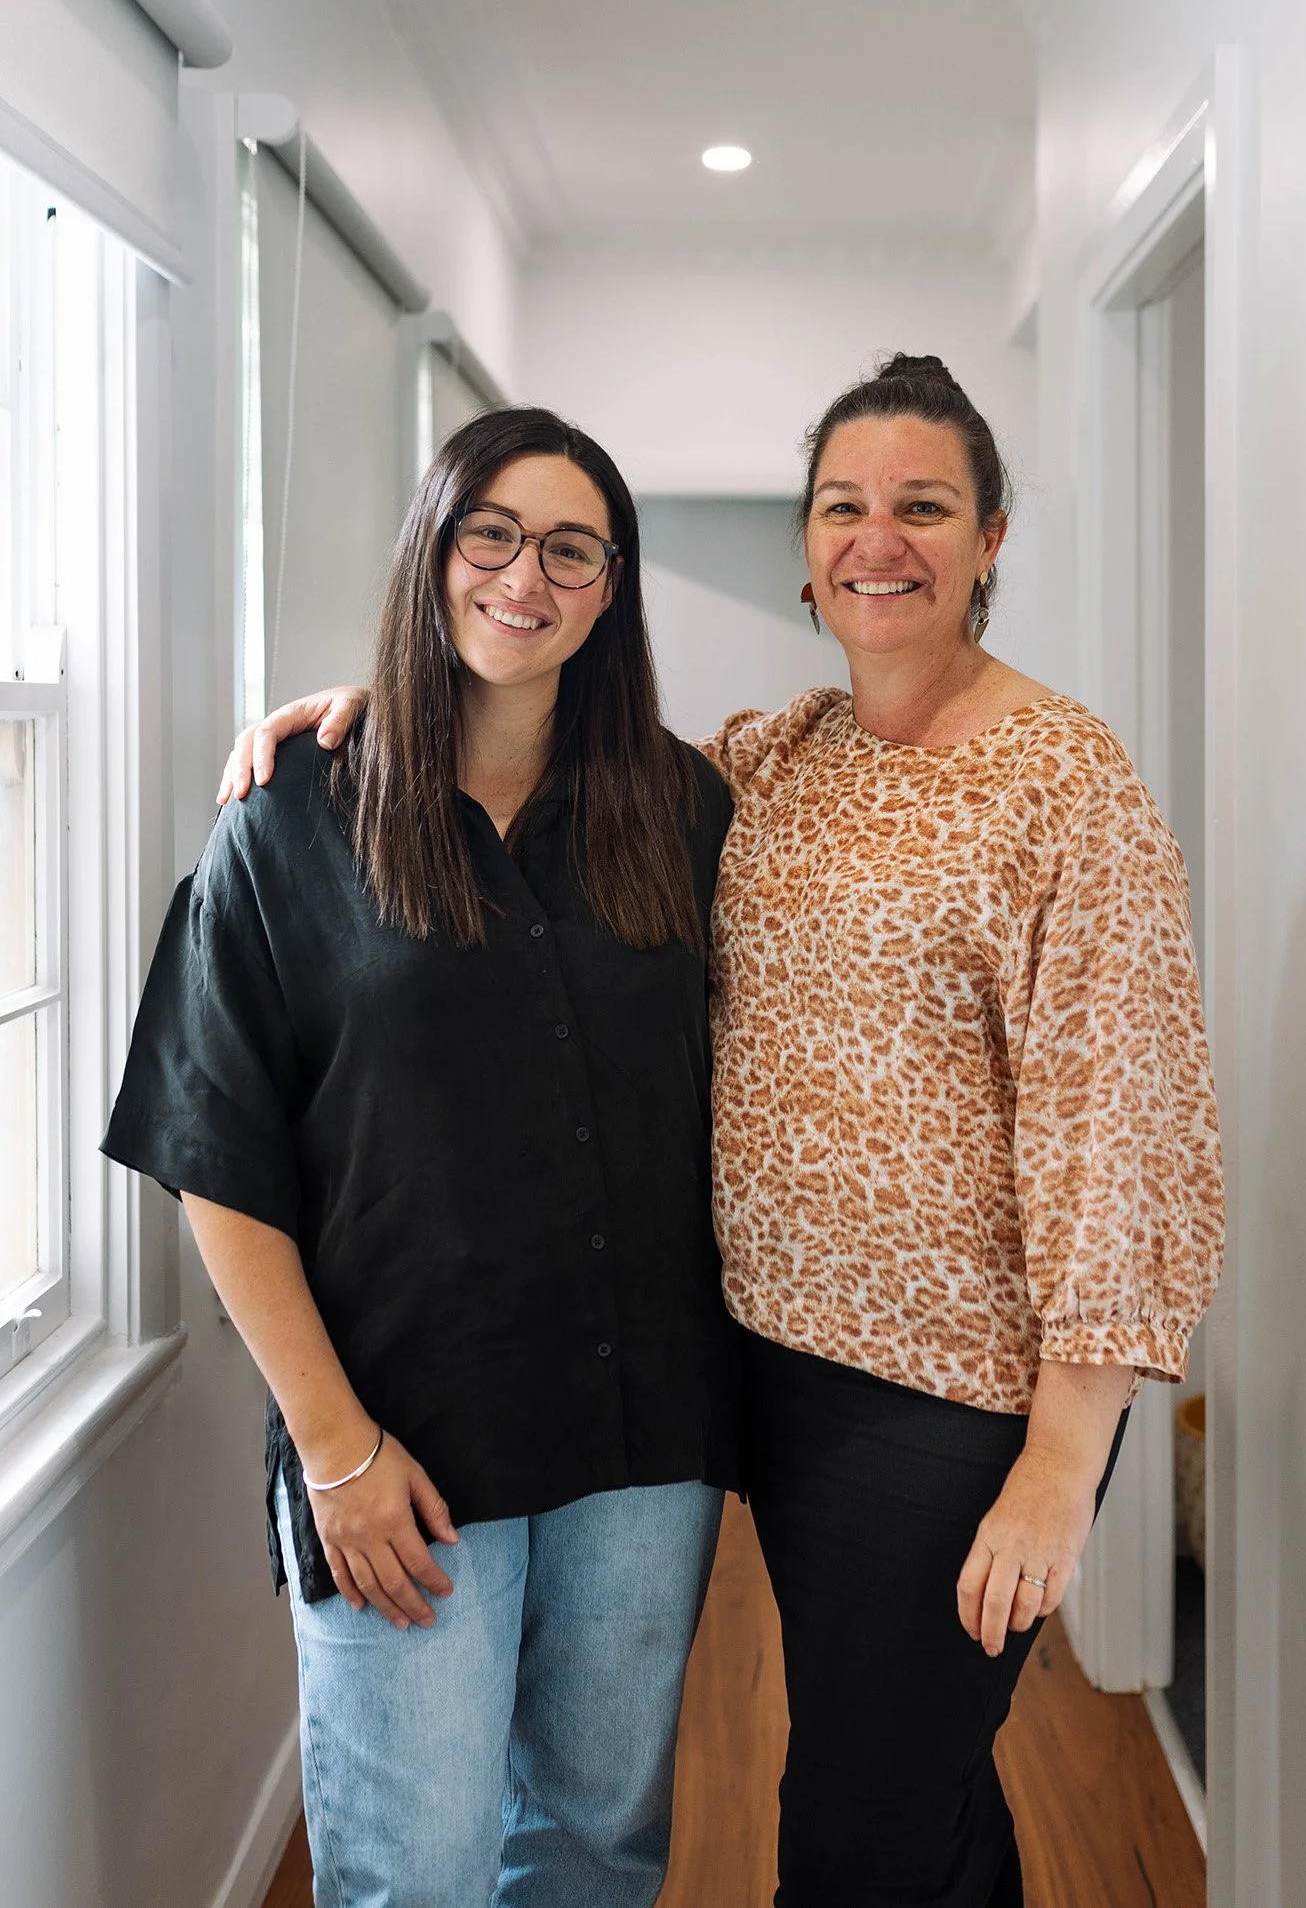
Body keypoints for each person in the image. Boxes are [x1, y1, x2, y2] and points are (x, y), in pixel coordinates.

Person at [224, 353, 1224, 1908]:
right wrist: (369, 710)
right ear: (808, 543)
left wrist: (1062, 1456)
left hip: (955, 1403)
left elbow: (1129, 1130)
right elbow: (535, 748)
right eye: (844, 503)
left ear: (993, 535)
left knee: (858, 1833)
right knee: (912, 1793)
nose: (877, 537)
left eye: (923, 505)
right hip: (764, 1376)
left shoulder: (1064, 782)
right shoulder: (773, 763)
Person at [105, 407, 739, 1908]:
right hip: (402, 1443)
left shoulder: (685, 808)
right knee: (418, 1872)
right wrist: (334, 1449)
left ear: (613, 587)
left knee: (599, 1844)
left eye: (573, 547)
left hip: (641, 1438)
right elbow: (219, 1156)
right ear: (432, 549)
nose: (528, 574)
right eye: (491, 533)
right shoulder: (291, 821)